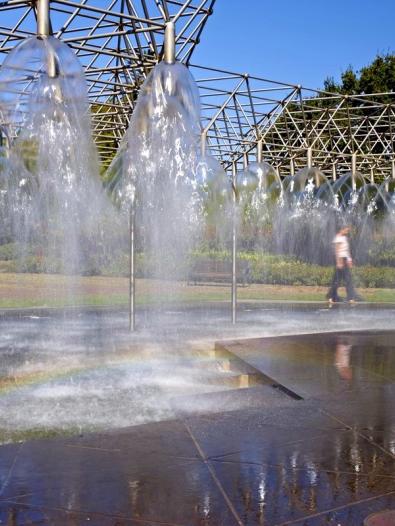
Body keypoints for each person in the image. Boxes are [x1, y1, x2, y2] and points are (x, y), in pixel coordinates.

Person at [326, 225, 362, 304]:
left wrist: (349, 259)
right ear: (341, 229)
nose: (347, 232)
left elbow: (347, 250)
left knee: (348, 279)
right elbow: (337, 251)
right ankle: (331, 297)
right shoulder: (338, 238)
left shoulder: (344, 238)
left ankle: (350, 298)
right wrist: (339, 262)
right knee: (337, 280)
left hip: (345, 260)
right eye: (346, 230)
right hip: (340, 260)